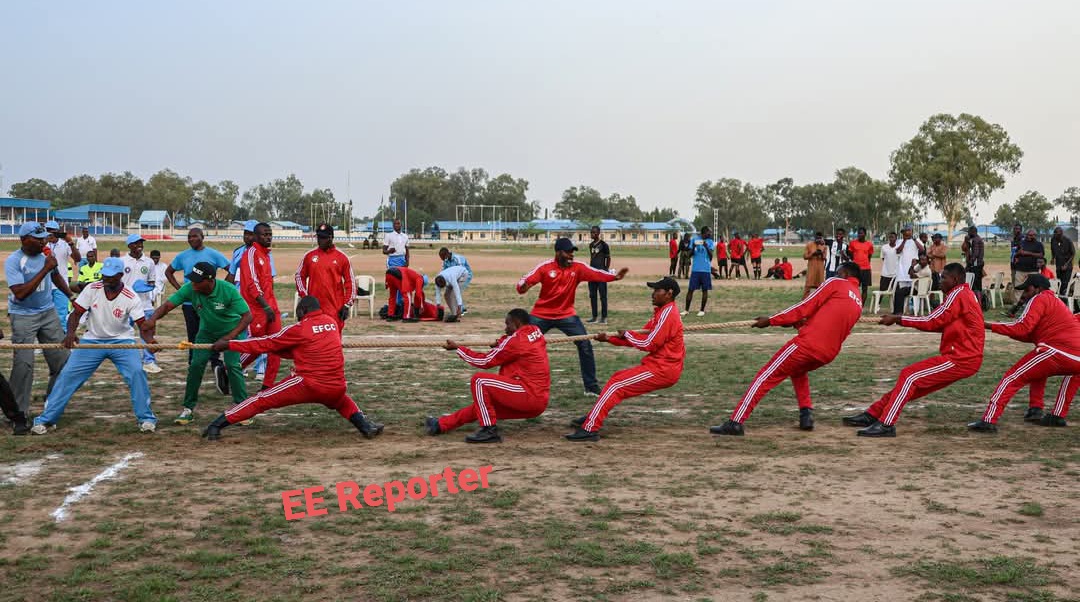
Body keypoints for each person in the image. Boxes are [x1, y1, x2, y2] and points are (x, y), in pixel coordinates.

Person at [710, 262, 864, 436]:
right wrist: (793, 322)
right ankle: (806, 414)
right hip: (828, 354)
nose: (833, 275)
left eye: (837, 272)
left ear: (843, 273)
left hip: (807, 346)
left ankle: (735, 422)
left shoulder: (835, 283)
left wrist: (771, 320)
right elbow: (823, 321)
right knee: (798, 371)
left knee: (765, 376)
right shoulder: (858, 301)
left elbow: (804, 307)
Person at [202, 297, 384, 441]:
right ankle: (364, 426)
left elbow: (265, 343)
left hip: (309, 384)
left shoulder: (299, 328)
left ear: (302, 311)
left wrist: (229, 344)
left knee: (261, 399)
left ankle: (217, 425)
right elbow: (303, 350)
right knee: (341, 400)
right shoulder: (331, 323)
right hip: (337, 385)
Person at [843, 263, 984, 436]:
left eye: (943, 278)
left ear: (954, 279)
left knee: (909, 376)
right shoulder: (961, 294)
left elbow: (932, 321)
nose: (939, 281)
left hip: (961, 359)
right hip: (963, 357)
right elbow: (939, 323)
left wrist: (899, 318)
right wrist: (899, 318)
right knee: (910, 385)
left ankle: (886, 424)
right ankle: (873, 413)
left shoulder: (958, 294)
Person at [30, 258, 157, 434]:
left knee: (137, 372)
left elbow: (142, 325)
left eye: (111, 277)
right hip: (92, 341)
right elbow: (76, 314)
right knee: (67, 375)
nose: (106, 279)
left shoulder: (130, 297)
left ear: (120, 276)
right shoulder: (92, 288)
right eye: (105, 275)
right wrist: (71, 333)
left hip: (122, 341)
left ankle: (146, 419)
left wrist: (150, 341)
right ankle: (46, 419)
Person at [566, 277, 684, 441]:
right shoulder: (661, 313)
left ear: (669, 294)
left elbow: (648, 343)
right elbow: (638, 338)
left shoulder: (668, 314)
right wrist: (608, 338)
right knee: (616, 379)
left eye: (657, 291)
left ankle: (590, 428)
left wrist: (627, 334)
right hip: (658, 366)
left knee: (616, 385)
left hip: (663, 370)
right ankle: (592, 417)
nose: (653, 294)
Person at [143, 262, 251, 425]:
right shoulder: (190, 288)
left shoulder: (227, 290)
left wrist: (228, 338)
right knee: (196, 365)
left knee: (233, 365)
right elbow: (167, 306)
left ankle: (241, 407)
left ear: (209, 280)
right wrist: (152, 319)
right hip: (206, 332)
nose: (193, 284)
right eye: (192, 280)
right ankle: (188, 409)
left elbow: (247, 316)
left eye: (197, 281)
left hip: (232, 331)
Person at [517, 237, 627, 396]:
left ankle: (591, 387)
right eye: (567, 252)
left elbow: (597, 274)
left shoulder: (578, 268)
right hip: (541, 315)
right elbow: (525, 282)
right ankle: (516, 381)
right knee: (522, 344)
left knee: (585, 345)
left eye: (572, 252)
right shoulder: (545, 267)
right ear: (558, 252)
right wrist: (523, 287)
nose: (571, 255)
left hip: (566, 315)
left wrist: (614, 277)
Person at [971, 275, 1080, 432]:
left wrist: (987, 325)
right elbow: (1028, 334)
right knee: (1042, 371)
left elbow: (1022, 328)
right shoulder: (1055, 302)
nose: (1025, 295)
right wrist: (993, 327)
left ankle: (989, 420)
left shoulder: (1039, 299)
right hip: (1076, 357)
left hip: (1056, 351)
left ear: (1037, 289)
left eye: (1027, 290)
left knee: (1011, 378)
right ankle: (1048, 413)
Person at [429, 308, 550, 443]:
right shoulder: (535, 331)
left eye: (508, 324)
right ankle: (441, 424)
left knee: (479, 380)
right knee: (483, 408)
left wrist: (459, 349)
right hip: (538, 401)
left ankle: (489, 430)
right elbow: (513, 344)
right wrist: (502, 342)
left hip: (528, 394)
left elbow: (485, 361)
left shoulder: (516, 341)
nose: (506, 329)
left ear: (516, 322)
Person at [6, 222, 72, 419]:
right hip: (23, 316)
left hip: (48, 312)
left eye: (44, 237)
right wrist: (45, 269)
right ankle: (18, 413)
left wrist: (71, 296)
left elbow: (56, 277)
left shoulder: (45, 255)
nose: (44, 240)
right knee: (24, 365)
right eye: (39, 238)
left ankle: (51, 404)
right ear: (25, 240)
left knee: (63, 361)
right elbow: (20, 294)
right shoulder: (14, 261)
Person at [166, 228, 231, 393]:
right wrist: (180, 290)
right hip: (190, 304)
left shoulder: (213, 254)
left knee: (211, 330)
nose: (191, 239)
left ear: (202, 237)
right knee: (193, 334)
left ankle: (216, 364)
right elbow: (169, 272)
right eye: (189, 237)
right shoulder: (182, 256)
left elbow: (231, 270)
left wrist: (222, 289)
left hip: (209, 303)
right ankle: (193, 363)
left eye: (195, 236)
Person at [238, 222, 282, 390]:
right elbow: (251, 284)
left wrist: (271, 305)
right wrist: (265, 306)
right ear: (255, 237)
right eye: (264, 234)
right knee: (257, 346)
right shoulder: (251, 254)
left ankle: (267, 386)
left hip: (272, 308)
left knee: (277, 346)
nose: (268, 237)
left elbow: (268, 283)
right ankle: (231, 370)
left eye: (270, 234)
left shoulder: (266, 255)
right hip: (258, 309)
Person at [295, 223, 354, 329]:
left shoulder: (342, 257)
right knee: (313, 341)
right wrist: (304, 297)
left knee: (333, 342)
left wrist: (346, 305)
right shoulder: (309, 256)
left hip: (335, 309)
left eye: (323, 238)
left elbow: (350, 282)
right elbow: (299, 276)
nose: (319, 240)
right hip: (313, 309)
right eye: (318, 237)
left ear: (331, 238)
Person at [120, 234, 161, 373]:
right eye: (136, 243)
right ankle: (129, 361)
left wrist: (146, 286)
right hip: (126, 305)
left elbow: (152, 282)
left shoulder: (148, 262)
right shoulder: (122, 262)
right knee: (125, 335)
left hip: (145, 305)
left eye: (141, 243)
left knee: (147, 332)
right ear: (129, 245)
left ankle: (149, 361)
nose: (140, 245)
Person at [683, 226, 718, 317]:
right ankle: (686, 310)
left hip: (706, 270)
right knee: (690, 290)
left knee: (705, 290)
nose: (710, 234)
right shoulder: (694, 240)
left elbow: (710, 257)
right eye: (709, 232)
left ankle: (702, 310)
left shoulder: (710, 242)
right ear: (704, 233)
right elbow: (689, 255)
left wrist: (706, 247)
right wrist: (693, 246)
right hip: (695, 269)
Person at [45, 221, 74, 326]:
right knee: (45, 315)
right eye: (48, 231)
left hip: (61, 286)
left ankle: (63, 337)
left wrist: (71, 243)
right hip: (45, 285)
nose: (50, 233)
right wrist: (44, 242)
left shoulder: (65, 244)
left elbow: (77, 258)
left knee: (61, 315)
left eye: (53, 231)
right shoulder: (41, 244)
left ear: (58, 232)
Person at [892, 225, 924, 314]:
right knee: (901, 291)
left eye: (908, 231)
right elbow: (898, 251)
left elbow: (922, 249)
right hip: (902, 271)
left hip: (913, 271)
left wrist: (914, 240)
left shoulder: (916, 241)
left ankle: (913, 309)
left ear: (911, 231)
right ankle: (901, 311)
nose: (907, 233)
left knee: (911, 290)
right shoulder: (899, 241)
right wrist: (904, 241)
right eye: (905, 231)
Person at [1012, 229, 1045, 304]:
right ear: (1026, 235)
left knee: (1033, 289)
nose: (1031, 237)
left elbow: (1041, 255)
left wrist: (1027, 253)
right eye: (1029, 235)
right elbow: (1016, 254)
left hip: (1033, 270)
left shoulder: (1039, 244)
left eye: (1032, 235)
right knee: (1018, 287)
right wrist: (1017, 255)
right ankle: (1017, 305)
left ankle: (1031, 304)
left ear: (1035, 236)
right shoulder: (1022, 243)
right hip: (1020, 269)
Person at [587, 226, 612, 324]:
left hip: (601, 274)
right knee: (592, 295)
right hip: (592, 273)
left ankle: (604, 317)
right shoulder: (591, 245)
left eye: (594, 233)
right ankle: (594, 316)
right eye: (591, 232)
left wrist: (606, 269)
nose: (592, 234)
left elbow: (608, 258)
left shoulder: (604, 245)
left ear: (598, 233)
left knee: (603, 296)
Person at [847, 227, 874, 302]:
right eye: (858, 233)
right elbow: (851, 256)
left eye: (861, 233)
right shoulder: (852, 243)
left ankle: (861, 306)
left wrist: (865, 264)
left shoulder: (869, 244)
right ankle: (854, 304)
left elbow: (869, 257)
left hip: (866, 269)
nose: (859, 235)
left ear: (865, 234)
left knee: (864, 289)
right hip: (856, 269)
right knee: (854, 288)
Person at [1050, 226, 1075, 295]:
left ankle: (1063, 298)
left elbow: (1073, 254)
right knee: (1059, 282)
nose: (1055, 236)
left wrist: (1066, 265)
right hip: (1058, 265)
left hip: (1067, 265)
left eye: (1057, 234)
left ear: (1061, 234)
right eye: (1054, 234)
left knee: (1065, 283)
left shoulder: (1068, 241)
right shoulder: (1053, 240)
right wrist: (1052, 258)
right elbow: (1052, 250)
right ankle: (1060, 297)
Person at [802, 232, 827, 298]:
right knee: (808, 285)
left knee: (821, 286)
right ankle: (804, 301)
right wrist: (813, 254)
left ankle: (819, 300)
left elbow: (824, 257)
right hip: (811, 269)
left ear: (821, 238)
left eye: (820, 238)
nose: (818, 239)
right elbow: (805, 256)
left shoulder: (824, 246)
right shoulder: (809, 245)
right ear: (814, 237)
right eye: (817, 238)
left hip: (820, 269)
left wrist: (821, 253)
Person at [964, 226, 985, 292]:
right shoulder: (978, 239)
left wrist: (969, 264)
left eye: (969, 232)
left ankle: (977, 300)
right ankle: (979, 299)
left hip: (976, 265)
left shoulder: (975, 240)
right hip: (979, 263)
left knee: (975, 284)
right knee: (978, 284)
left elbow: (975, 253)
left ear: (973, 232)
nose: (968, 234)